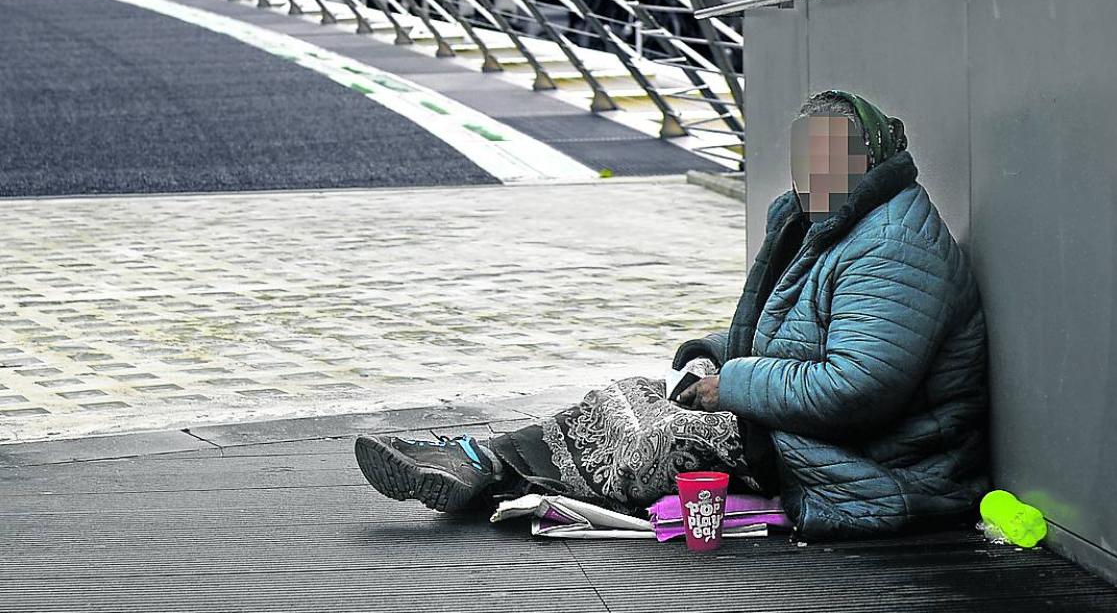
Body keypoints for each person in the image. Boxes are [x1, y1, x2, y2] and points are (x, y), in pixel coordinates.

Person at [354, 90, 990, 538]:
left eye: (829, 157)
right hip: (809, 431)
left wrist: (729, 385)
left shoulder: (894, 247)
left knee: (654, 438)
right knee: (625, 397)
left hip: (882, 465)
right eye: (805, 156)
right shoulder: (832, 223)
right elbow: (784, 337)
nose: (809, 171)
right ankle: (482, 459)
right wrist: (712, 355)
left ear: (869, 159)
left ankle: (485, 467)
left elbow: (858, 388)